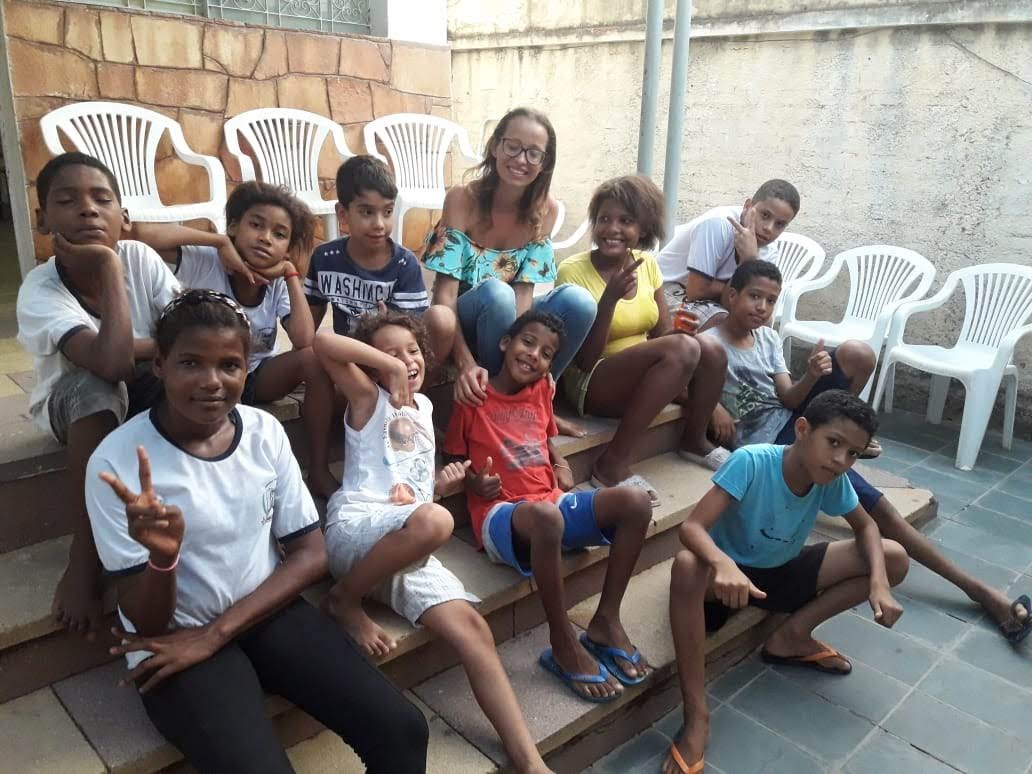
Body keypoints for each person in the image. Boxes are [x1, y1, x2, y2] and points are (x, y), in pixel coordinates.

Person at [85, 290, 429, 773]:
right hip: (176, 639)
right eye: (190, 363)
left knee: (403, 729)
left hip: (265, 609)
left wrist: (218, 632)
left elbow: (311, 552)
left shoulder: (263, 432)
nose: (212, 381)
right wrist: (163, 560)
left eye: (229, 365)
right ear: (159, 365)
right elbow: (148, 622)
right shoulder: (118, 462)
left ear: (247, 368)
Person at [707, 260, 1031, 645]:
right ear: (731, 295)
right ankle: (979, 591)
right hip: (772, 440)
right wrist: (713, 406)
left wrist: (812, 376)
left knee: (858, 353)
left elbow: (788, 398)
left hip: (790, 418)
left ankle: (846, 439)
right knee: (881, 512)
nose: (762, 306)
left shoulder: (767, 339)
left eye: (770, 300)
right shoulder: (709, 341)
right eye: (754, 296)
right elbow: (682, 377)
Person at [314, 309, 551, 774]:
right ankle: (343, 599)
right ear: (372, 366)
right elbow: (322, 344)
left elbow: (413, 486)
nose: (406, 360)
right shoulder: (368, 398)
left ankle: (530, 762)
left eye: (412, 351)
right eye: (390, 354)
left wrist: (440, 486)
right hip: (357, 531)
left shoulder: (423, 408)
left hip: (405, 542)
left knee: (474, 629)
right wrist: (389, 368)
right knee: (435, 522)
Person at [661, 391, 909, 774]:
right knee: (686, 566)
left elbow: (867, 527)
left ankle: (792, 636)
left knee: (893, 557)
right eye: (834, 443)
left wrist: (879, 583)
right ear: (802, 429)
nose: (842, 460)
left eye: (854, 454)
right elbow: (692, 527)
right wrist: (722, 563)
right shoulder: (752, 462)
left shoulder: (831, 478)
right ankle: (697, 716)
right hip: (729, 580)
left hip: (783, 570)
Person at [445, 310, 653, 703]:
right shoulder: (474, 396)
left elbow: (545, 435)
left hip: (550, 501)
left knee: (635, 501)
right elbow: (454, 456)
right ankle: (562, 641)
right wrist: (474, 482)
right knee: (546, 517)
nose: (534, 355)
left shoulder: (542, 388)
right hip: (502, 513)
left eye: (546, 353)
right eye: (528, 342)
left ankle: (606, 622)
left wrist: (560, 464)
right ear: (505, 343)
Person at [16, 152, 181, 637]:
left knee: (200, 376)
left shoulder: (142, 260)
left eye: (101, 199)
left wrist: (154, 349)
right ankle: (85, 556)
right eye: (67, 200)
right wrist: (108, 264)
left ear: (123, 216)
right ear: (43, 220)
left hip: (139, 388)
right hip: (75, 407)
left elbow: (190, 333)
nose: (88, 209)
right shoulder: (41, 289)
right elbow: (110, 364)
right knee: (95, 387)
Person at [132, 181, 340, 498]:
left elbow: (302, 339)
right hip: (206, 375)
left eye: (279, 234)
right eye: (256, 225)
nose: (265, 238)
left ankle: (319, 469)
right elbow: (139, 234)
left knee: (314, 358)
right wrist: (217, 241)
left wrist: (290, 274)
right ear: (234, 227)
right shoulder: (206, 260)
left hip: (255, 375)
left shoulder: (277, 281)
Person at [556, 176, 731, 505]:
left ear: (644, 228)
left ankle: (693, 440)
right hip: (593, 382)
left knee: (710, 348)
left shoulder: (647, 264)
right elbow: (584, 361)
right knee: (685, 348)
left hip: (642, 375)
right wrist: (608, 301)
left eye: (625, 221)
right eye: (604, 219)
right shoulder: (572, 271)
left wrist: (682, 333)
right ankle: (610, 463)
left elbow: (662, 334)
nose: (612, 229)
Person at [423, 107, 595, 436]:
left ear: (545, 162)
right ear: (495, 146)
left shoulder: (546, 210)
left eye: (534, 153)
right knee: (497, 293)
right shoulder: (462, 199)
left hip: (507, 324)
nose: (521, 159)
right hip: (466, 321)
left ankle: (535, 401)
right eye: (512, 146)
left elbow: (524, 297)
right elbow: (444, 296)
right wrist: (465, 363)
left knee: (579, 302)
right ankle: (496, 406)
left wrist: (526, 355)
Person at [304, 155, 455, 364]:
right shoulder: (325, 259)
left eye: (387, 212)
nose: (379, 224)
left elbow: (411, 338)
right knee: (320, 345)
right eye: (367, 212)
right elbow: (307, 328)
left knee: (442, 319)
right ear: (343, 213)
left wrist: (385, 325)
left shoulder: (404, 264)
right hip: (348, 362)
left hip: (394, 361)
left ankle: (416, 387)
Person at [656, 179, 799, 332]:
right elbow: (696, 291)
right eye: (765, 215)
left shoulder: (769, 250)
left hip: (709, 301)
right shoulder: (717, 225)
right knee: (722, 322)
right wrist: (749, 263)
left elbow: (732, 300)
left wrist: (745, 269)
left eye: (780, 224)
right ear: (748, 205)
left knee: (763, 328)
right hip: (663, 287)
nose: (769, 228)